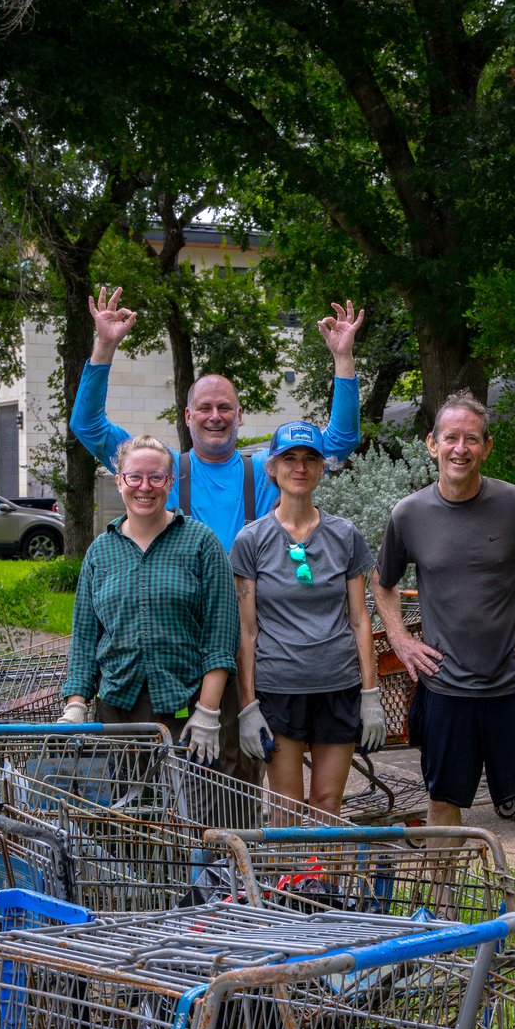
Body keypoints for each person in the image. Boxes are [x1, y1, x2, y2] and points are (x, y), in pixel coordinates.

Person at [70, 286, 365, 784]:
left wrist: (343, 358)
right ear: (187, 416)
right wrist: (103, 348)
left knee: (237, 765)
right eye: (204, 407)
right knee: (164, 769)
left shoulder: (263, 472)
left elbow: (336, 443)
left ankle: (233, 855)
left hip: (250, 639)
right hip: (182, 637)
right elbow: (88, 424)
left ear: (240, 415)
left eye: (225, 407)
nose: (214, 416)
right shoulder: (161, 470)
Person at [371, 393, 515, 898]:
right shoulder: (409, 514)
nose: (460, 447)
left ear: (486, 447)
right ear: (432, 444)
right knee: (444, 800)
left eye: (471, 438)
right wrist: (403, 641)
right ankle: (442, 914)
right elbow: (381, 583)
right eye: (450, 437)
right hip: (446, 686)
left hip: (514, 683)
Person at [230, 421, 385, 817]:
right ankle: (288, 883)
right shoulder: (252, 540)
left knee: (327, 804)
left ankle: (323, 882)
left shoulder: (344, 535)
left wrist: (370, 696)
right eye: (290, 459)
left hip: (338, 687)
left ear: (322, 468)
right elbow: (246, 631)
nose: (300, 467)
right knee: (286, 807)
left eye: (310, 459)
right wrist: (247, 707)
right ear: (272, 467)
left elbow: (359, 619)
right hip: (279, 689)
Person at [60, 434, 239, 770]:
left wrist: (208, 711)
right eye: (135, 476)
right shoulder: (100, 552)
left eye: (156, 477)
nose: (145, 487)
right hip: (118, 711)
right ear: (119, 481)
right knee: (126, 815)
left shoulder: (201, 543)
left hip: (187, 708)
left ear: (169, 482)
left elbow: (220, 636)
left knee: (189, 817)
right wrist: (75, 706)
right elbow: (85, 639)